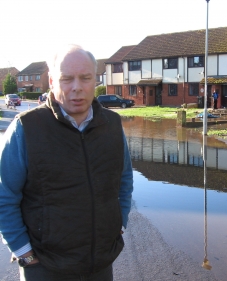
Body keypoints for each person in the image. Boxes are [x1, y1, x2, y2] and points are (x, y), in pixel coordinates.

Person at [0, 44, 134, 281]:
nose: (77, 88)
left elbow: (124, 180)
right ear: (51, 81)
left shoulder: (112, 125)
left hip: (101, 263)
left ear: (95, 80)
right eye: (66, 79)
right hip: (45, 266)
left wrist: (119, 224)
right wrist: (24, 252)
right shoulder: (26, 128)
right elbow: (4, 196)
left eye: (85, 78)